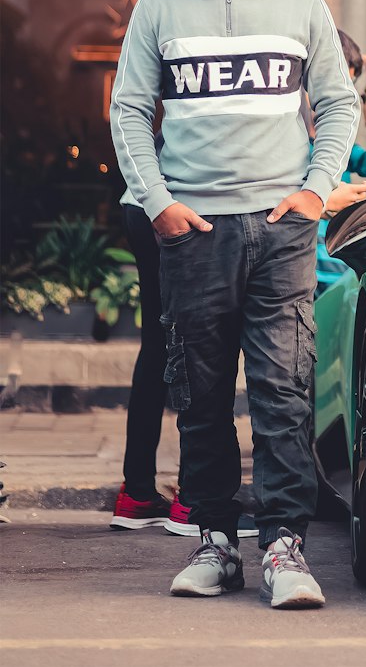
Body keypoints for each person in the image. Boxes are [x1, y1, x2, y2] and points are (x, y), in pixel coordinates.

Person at [110, 0, 359, 608]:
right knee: (202, 394)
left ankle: (284, 548)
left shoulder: (301, 4)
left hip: (280, 228)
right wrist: (157, 202)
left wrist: (317, 190)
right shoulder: (159, 4)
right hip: (194, 231)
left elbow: (339, 104)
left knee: (284, 392)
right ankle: (216, 545)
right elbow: (128, 109)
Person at [108, 199, 255, 538]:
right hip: (184, 205)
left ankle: (138, 494)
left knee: (159, 346)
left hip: (144, 204)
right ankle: (192, 502)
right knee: (198, 343)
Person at [315, 30, 366, 291]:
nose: (344, 93)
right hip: (303, 268)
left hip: (338, 264)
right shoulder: (286, 143)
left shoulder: (337, 142)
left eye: (349, 85)